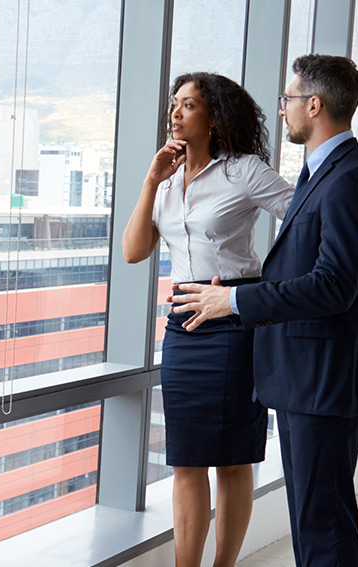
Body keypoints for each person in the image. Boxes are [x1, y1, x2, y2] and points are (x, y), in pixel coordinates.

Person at [169, 54, 358, 567]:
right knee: (313, 523)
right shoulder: (323, 176)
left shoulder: (352, 180)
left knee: (323, 527)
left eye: (289, 99)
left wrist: (231, 298)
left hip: (324, 379)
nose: (284, 110)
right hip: (304, 378)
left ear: (313, 105)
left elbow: (334, 286)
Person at [122, 72, 291, 567]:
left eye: (189, 104)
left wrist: (266, 287)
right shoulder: (168, 178)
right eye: (175, 104)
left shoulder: (244, 171)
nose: (176, 112)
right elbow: (134, 251)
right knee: (186, 458)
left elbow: (304, 217)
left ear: (214, 117)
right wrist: (152, 181)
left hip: (234, 318)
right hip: (183, 323)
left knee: (234, 459)